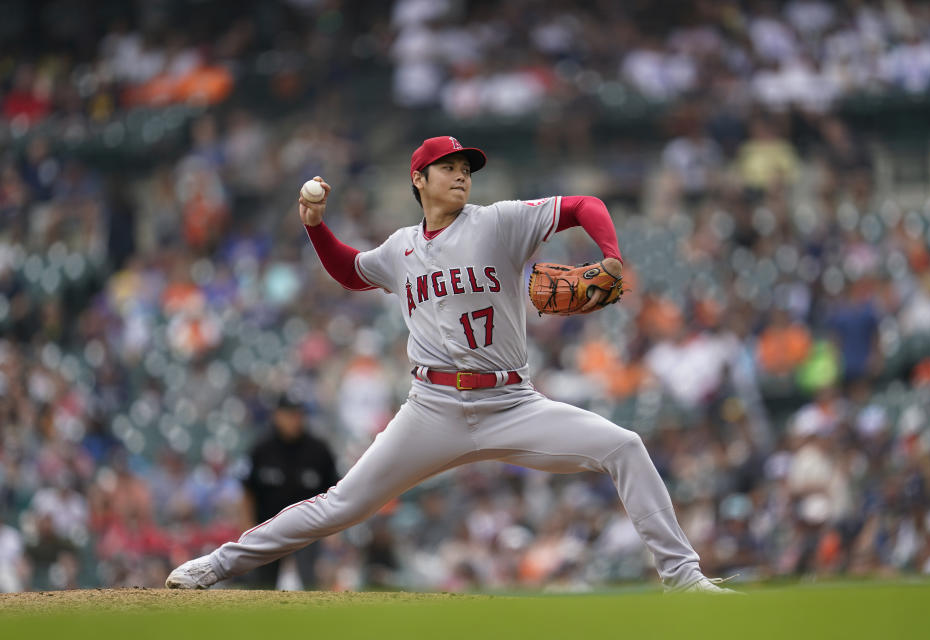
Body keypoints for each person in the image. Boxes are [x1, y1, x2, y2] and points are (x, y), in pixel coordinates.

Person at [166, 136, 736, 593]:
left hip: (512, 402)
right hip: (431, 408)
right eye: (447, 166)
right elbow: (348, 271)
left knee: (624, 446)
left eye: (466, 166)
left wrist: (611, 256)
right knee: (343, 504)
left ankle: (683, 578)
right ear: (419, 179)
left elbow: (585, 205)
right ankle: (215, 566)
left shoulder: (498, 221)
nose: (462, 174)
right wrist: (316, 227)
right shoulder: (400, 248)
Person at [240, 394, 339, 589]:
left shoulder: (319, 450)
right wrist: (247, 526)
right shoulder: (261, 448)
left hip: (309, 531)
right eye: (290, 414)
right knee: (261, 588)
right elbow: (247, 491)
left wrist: (334, 533)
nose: (295, 419)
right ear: (277, 415)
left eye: (299, 414)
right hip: (268, 529)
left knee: (312, 585)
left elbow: (334, 491)